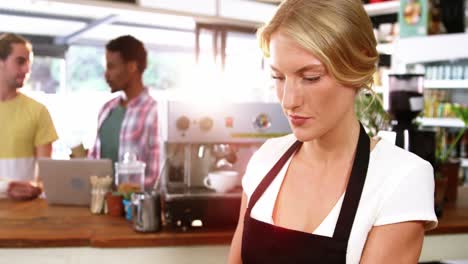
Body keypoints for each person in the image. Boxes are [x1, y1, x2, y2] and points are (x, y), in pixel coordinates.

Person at [228, 1, 437, 263]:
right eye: (279, 77)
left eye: (311, 77)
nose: (288, 101)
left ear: (356, 68)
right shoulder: (266, 157)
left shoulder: (402, 178)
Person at [88, 35, 159, 189]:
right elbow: (94, 160)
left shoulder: (154, 113)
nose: (106, 75)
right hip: (101, 205)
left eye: (111, 67)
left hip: (132, 208)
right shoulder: (106, 110)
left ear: (132, 67)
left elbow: (155, 175)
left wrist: (124, 192)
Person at [0, 33, 58, 200]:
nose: (27, 69)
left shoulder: (38, 111)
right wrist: (6, 188)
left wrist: (36, 188)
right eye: (20, 61)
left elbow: (45, 178)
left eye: (28, 63)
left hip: (26, 216)